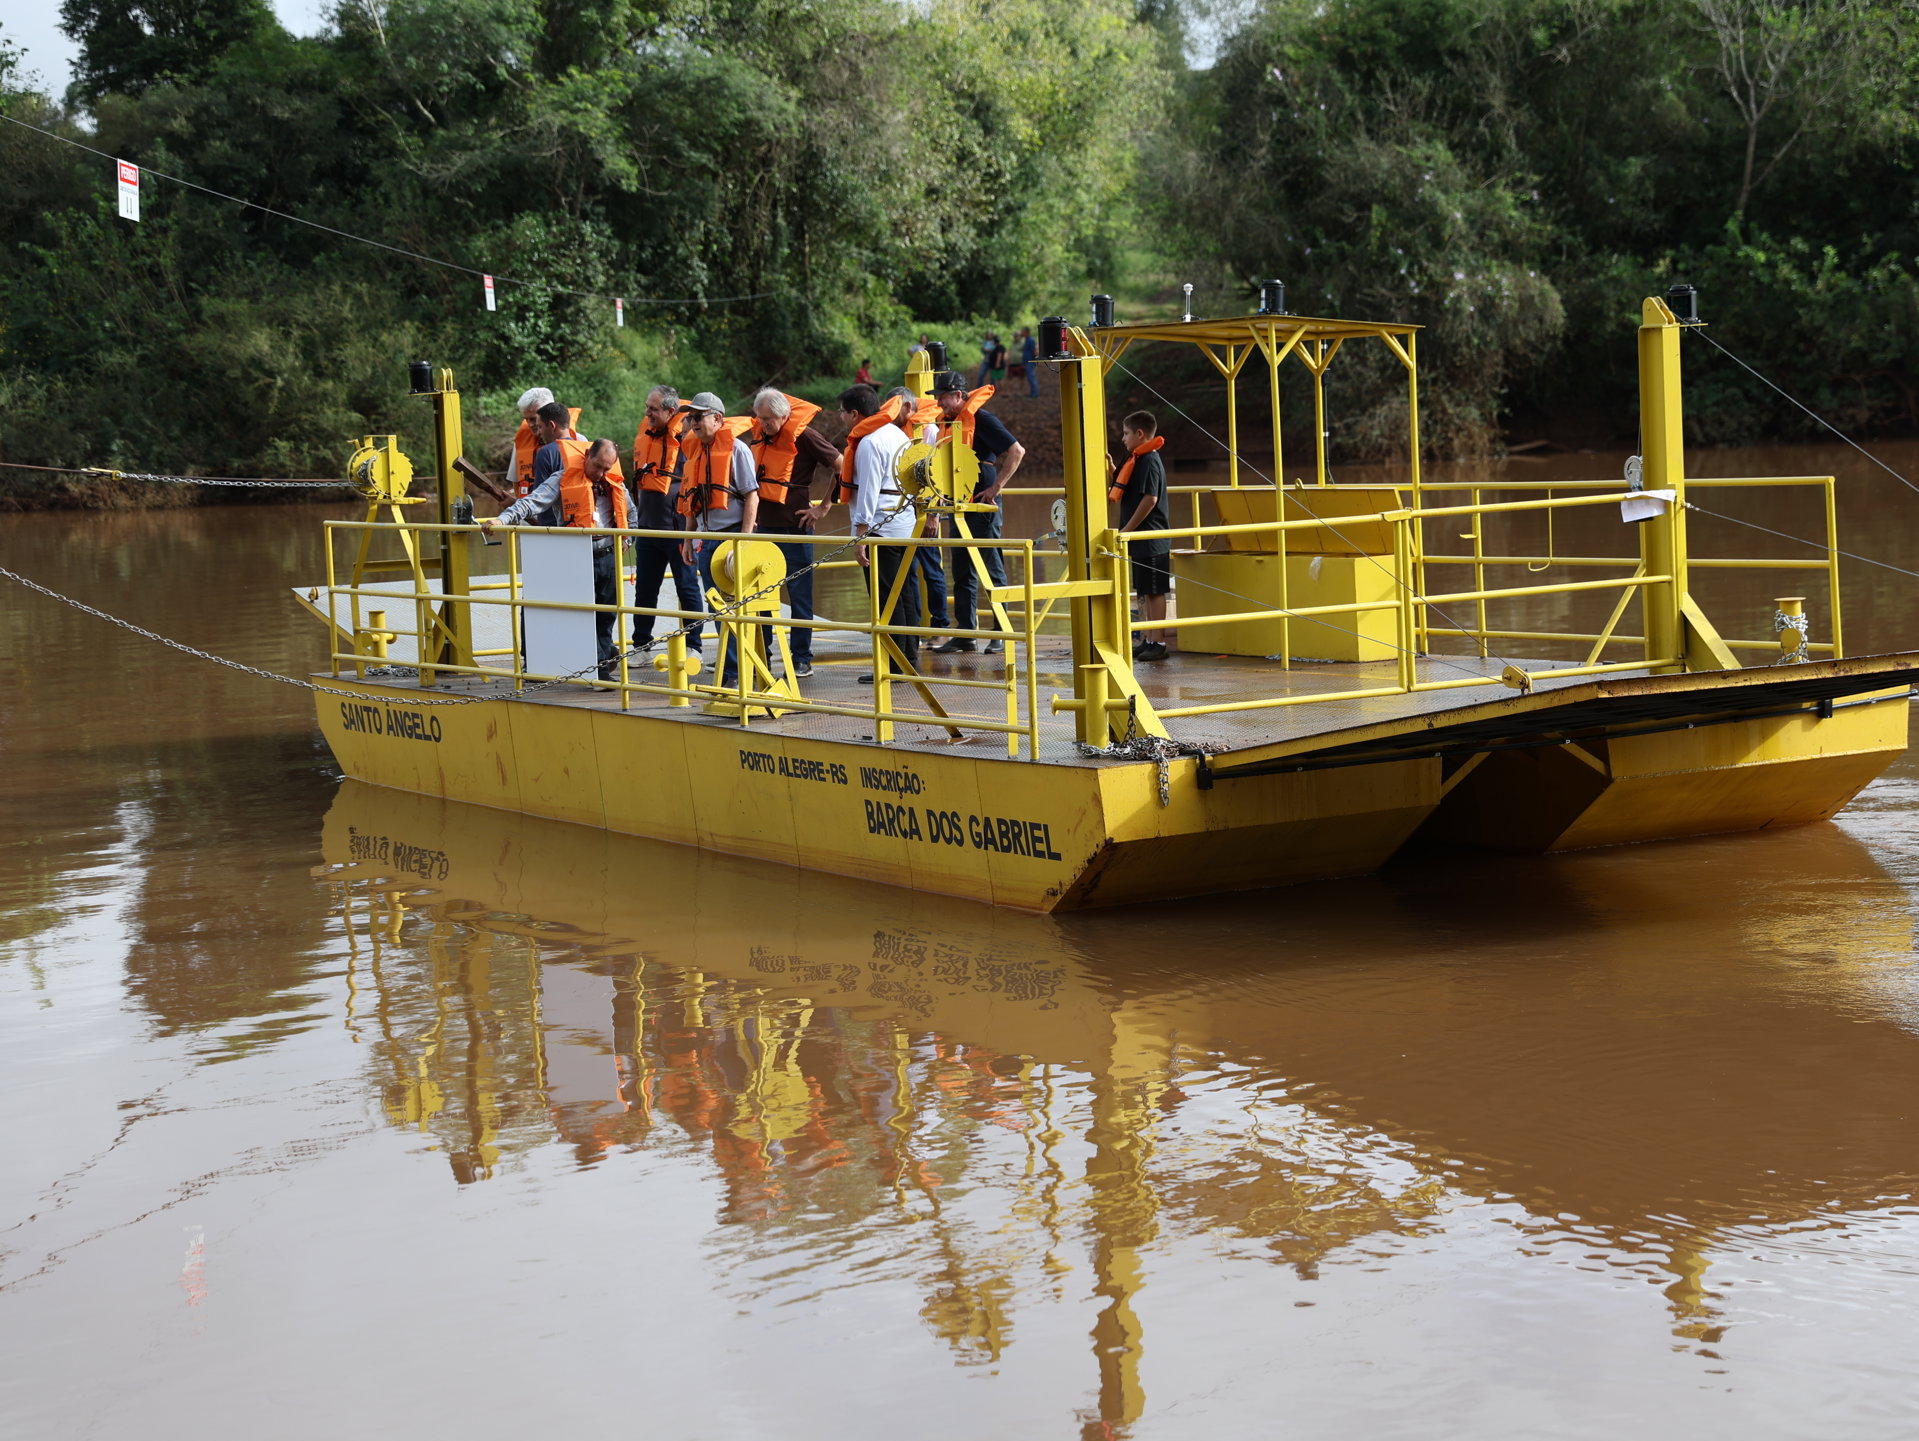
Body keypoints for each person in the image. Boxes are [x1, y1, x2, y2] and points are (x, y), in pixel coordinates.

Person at [484, 435, 630, 680]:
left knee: (607, 615)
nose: (601, 474)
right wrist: (502, 519)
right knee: (585, 616)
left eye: (607, 468)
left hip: (608, 555)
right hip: (578, 557)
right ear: (588, 457)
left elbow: (630, 511)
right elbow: (531, 503)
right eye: (597, 467)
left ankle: (603, 660)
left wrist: (628, 539)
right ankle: (599, 672)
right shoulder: (562, 479)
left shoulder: (613, 481)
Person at [927, 371, 1026, 656]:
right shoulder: (950, 423)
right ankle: (966, 634)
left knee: (991, 567)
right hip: (959, 505)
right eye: (936, 397)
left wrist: (995, 488)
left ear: (959, 395)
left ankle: (1001, 631)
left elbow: (1016, 451)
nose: (939, 402)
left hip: (983, 506)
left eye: (943, 396)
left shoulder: (982, 419)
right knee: (962, 570)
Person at [747, 387, 841, 679]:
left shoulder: (806, 436)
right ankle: (763, 653)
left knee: (800, 597)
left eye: (770, 419)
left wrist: (824, 507)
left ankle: (802, 658)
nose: (764, 424)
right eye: (761, 418)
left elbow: (841, 466)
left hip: (796, 527)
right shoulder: (761, 435)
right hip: (764, 528)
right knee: (760, 596)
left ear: (785, 415)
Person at [677, 392, 759, 688]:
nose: (692, 423)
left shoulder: (737, 450)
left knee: (737, 608)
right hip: (707, 540)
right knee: (717, 609)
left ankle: (738, 674)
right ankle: (729, 670)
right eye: (690, 418)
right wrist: (689, 539)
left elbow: (752, 495)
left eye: (698, 417)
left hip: (732, 537)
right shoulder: (696, 451)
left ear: (717, 418)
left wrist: (744, 542)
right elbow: (691, 500)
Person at [838, 385, 918, 683]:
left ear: (854, 413)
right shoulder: (898, 434)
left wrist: (860, 534)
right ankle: (909, 657)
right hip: (904, 524)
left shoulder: (870, 442)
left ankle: (895, 666)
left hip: (881, 528)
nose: (841, 417)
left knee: (886, 597)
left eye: (843, 412)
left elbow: (869, 491)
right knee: (904, 593)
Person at [630, 385, 702, 655]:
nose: (647, 412)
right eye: (647, 406)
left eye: (653, 408)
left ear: (671, 411)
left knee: (687, 587)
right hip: (647, 529)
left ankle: (694, 646)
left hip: (677, 529)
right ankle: (641, 646)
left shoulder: (687, 439)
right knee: (645, 592)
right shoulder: (645, 436)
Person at [879, 384, 950, 636]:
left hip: (925, 510)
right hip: (903, 513)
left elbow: (936, 474)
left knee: (932, 570)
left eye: (894, 406)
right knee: (907, 572)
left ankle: (940, 626)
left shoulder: (929, 430)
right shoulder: (891, 434)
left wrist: (933, 515)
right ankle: (915, 629)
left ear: (908, 406)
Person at [1111, 410, 1172, 661]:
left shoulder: (1149, 461)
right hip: (1140, 539)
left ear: (1140, 434)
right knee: (1145, 591)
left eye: (1126, 434)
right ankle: (1148, 638)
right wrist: (1111, 468)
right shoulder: (1137, 459)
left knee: (1156, 590)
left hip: (1152, 537)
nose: (1123, 439)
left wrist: (1127, 530)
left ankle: (1158, 642)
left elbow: (1150, 498)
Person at [507, 387, 581, 501]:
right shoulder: (521, 443)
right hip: (528, 514)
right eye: (526, 419)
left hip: (564, 515)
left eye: (533, 419)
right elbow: (516, 482)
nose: (530, 424)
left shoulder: (578, 441)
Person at [1019, 326, 1039, 398]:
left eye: (1023, 331)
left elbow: (1034, 351)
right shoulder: (1026, 339)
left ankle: (1034, 394)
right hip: (1027, 362)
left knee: (1031, 377)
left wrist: (1035, 360)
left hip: (1030, 362)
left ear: (1027, 332)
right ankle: (1032, 393)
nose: (1021, 332)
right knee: (1030, 377)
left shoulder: (1030, 340)